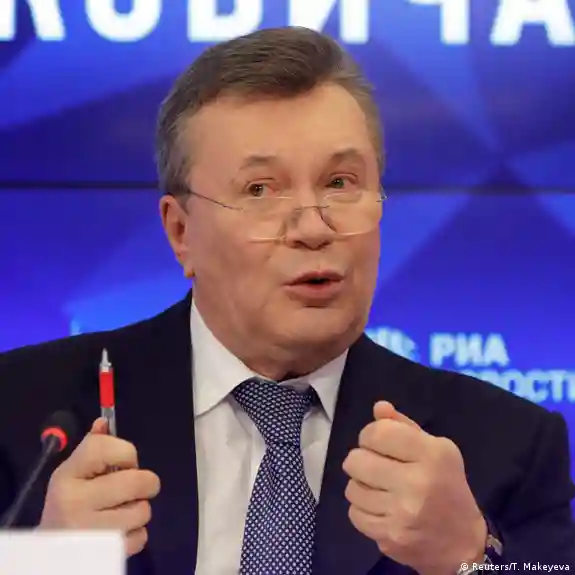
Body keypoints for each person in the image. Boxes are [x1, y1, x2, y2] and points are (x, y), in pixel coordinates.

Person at [0, 26, 573, 575]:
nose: (313, 228)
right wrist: (46, 564)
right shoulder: (24, 418)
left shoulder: (507, 446)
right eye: (260, 190)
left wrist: (470, 556)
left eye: (340, 183)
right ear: (181, 232)